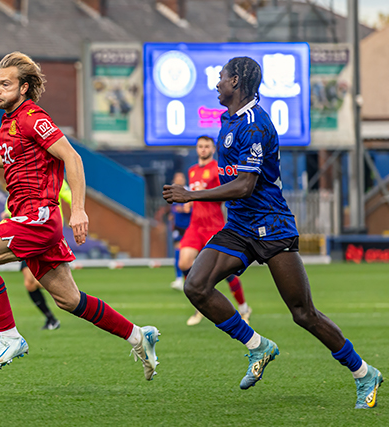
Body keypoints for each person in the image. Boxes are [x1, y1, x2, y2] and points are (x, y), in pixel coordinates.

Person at [162, 56, 382, 408]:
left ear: (235, 81)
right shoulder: (228, 119)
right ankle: (258, 347)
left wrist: (192, 194)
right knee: (196, 286)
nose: (216, 83)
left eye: (220, 78)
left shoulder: (256, 124)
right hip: (238, 227)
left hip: (272, 226)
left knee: (303, 313)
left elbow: (245, 185)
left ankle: (363, 372)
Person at [0, 51, 159, 380]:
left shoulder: (31, 117)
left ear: (24, 88)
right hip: (32, 216)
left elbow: (72, 157)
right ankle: (139, 336)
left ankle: (10, 336)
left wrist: (78, 208)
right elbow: (16, 157)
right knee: (69, 300)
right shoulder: (9, 120)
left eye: (5, 84)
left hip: (37, 215)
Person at [175, 136, 252, 327]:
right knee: (184, 262)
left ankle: (243, 308)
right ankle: (199, 304)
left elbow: (224, 194)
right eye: (200, 146)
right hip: (195, 225)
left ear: (213, 148)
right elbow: (195, 196)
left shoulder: (218, 170)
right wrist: (190, 202)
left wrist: (205, 193)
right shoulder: (192, 171)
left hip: (214, 226)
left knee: (225, 271)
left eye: (206, 146)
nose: (203, 149)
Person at [1, 179, 72, 330]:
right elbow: (18, 200)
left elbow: (69, 195)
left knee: (32, 281)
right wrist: (7, 214)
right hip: (27, 230)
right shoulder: (25, 177)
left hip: (46, 230)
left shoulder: (54, 177)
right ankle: (51, 318)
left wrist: (77, 211)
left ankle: (68, 293)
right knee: (29, 283)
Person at [166, 172, 191, 291]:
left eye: (180, 178)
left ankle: (189, 279)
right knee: (177, 251)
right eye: (177, 178)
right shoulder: (172, 192)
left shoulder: (189, 191)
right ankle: (179, 279)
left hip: (189, 227)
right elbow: (174, 208)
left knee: (189, 254)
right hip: (178, 226)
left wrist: (182, 209)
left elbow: (188, 209)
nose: (178, 180)